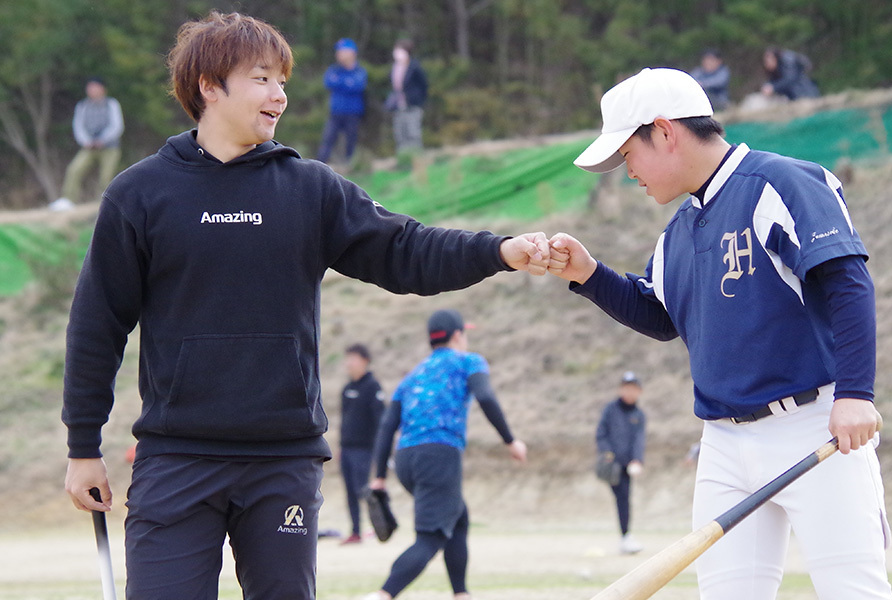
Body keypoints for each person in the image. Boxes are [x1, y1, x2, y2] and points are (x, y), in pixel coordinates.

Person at [61, 11, 550, 600]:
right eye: (263, 79)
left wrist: (499, 250)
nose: (280, 95)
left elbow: (405, 250)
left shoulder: (310, 189)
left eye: (283, 81)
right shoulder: (139, 194)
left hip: (282, 460)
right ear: (209, 87)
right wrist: (83, 445)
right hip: (177, 457)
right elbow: (97, 324)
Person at [547, 67, 892, 599]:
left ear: (664, 131)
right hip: (725, 443)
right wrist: (589, 275)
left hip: (814, 427)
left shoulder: (782, 183)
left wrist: (855, 394)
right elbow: (662, 317)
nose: (627, 172)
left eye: (627, 155)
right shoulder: (678, 232)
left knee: (854, 591)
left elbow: (846, 282)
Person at [364, 309, 527, 600]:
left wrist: (378, 477)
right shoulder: (469, 361)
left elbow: (388, 424)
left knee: (458, 518)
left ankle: (460, 593)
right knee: (431, 536)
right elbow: (486, 396)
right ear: (457, 335)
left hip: (405, 460)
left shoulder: (414, 374)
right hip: (438, 456)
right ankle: (383, 594)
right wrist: (510, 441)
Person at [338, 343, 385, 545]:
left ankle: (380, 527)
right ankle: (356, 532)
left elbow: (380, 421)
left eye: (354, 358)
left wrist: (380, 450)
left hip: (364, 449)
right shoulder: (347, 389)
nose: (349, 363)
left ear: (365, 361)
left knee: (364, 491)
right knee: (350, 492)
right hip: (346, 449)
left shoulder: (373, 387)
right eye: (348, 358)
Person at [595, 371, 646, 554]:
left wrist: (637, 460)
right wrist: (607, 454)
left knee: (624, 498)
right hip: (611, 464)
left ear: (639, 391)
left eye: (633, 388)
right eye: (626, 388)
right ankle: (625, 537)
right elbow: (601, 433)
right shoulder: (610, 409)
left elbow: (639, 439)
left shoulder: (639, 415)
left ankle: (625, 536)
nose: (629, 392)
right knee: (622, 498)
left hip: (628, 465)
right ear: (620, 389)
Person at [54, 77, 124, 209]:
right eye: (90, 88)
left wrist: (102, 140)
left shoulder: (111, 104)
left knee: (106, 176)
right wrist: (86, 141)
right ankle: (68, 199)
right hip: (89, 147)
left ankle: (106, 204)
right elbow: (78, 126)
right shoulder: (83, 106)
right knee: (74, 169)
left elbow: (117, 126)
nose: (92, 90)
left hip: (110, 147)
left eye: (95, 87)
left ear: (102, 89)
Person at [317, 38, 367, 165]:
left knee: (351, 140)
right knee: (327, 139)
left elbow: (357, 86)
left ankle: (350, 165)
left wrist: (340, 83)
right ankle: (320, 165)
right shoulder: (334, 70)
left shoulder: (359, 71)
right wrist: (347, 83)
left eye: (342, 51)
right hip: (335, 112)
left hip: (353, 112)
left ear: (351, 53)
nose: (338, 54)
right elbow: (328, 82)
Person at [385, 38, 428, 155]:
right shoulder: (394, 67)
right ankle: (403, 158)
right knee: (400, 134)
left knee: (413, 133)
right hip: (398, 106)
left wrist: (419, 100)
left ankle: (416, 157)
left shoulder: (414, 66)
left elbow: (423, 85)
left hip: (412, 105)